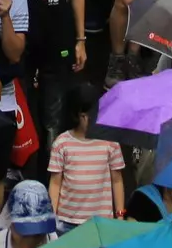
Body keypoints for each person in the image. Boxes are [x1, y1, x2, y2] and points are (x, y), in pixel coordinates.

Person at [46, 83, 124, 229]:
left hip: (101, 222)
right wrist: (52, 217)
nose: (90, 119)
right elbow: (55, 183)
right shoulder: (62, 143)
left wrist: (119, 215)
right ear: (76, 115)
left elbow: (117, 180)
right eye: (84, 115)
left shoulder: (110, 141)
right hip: (67, 222)